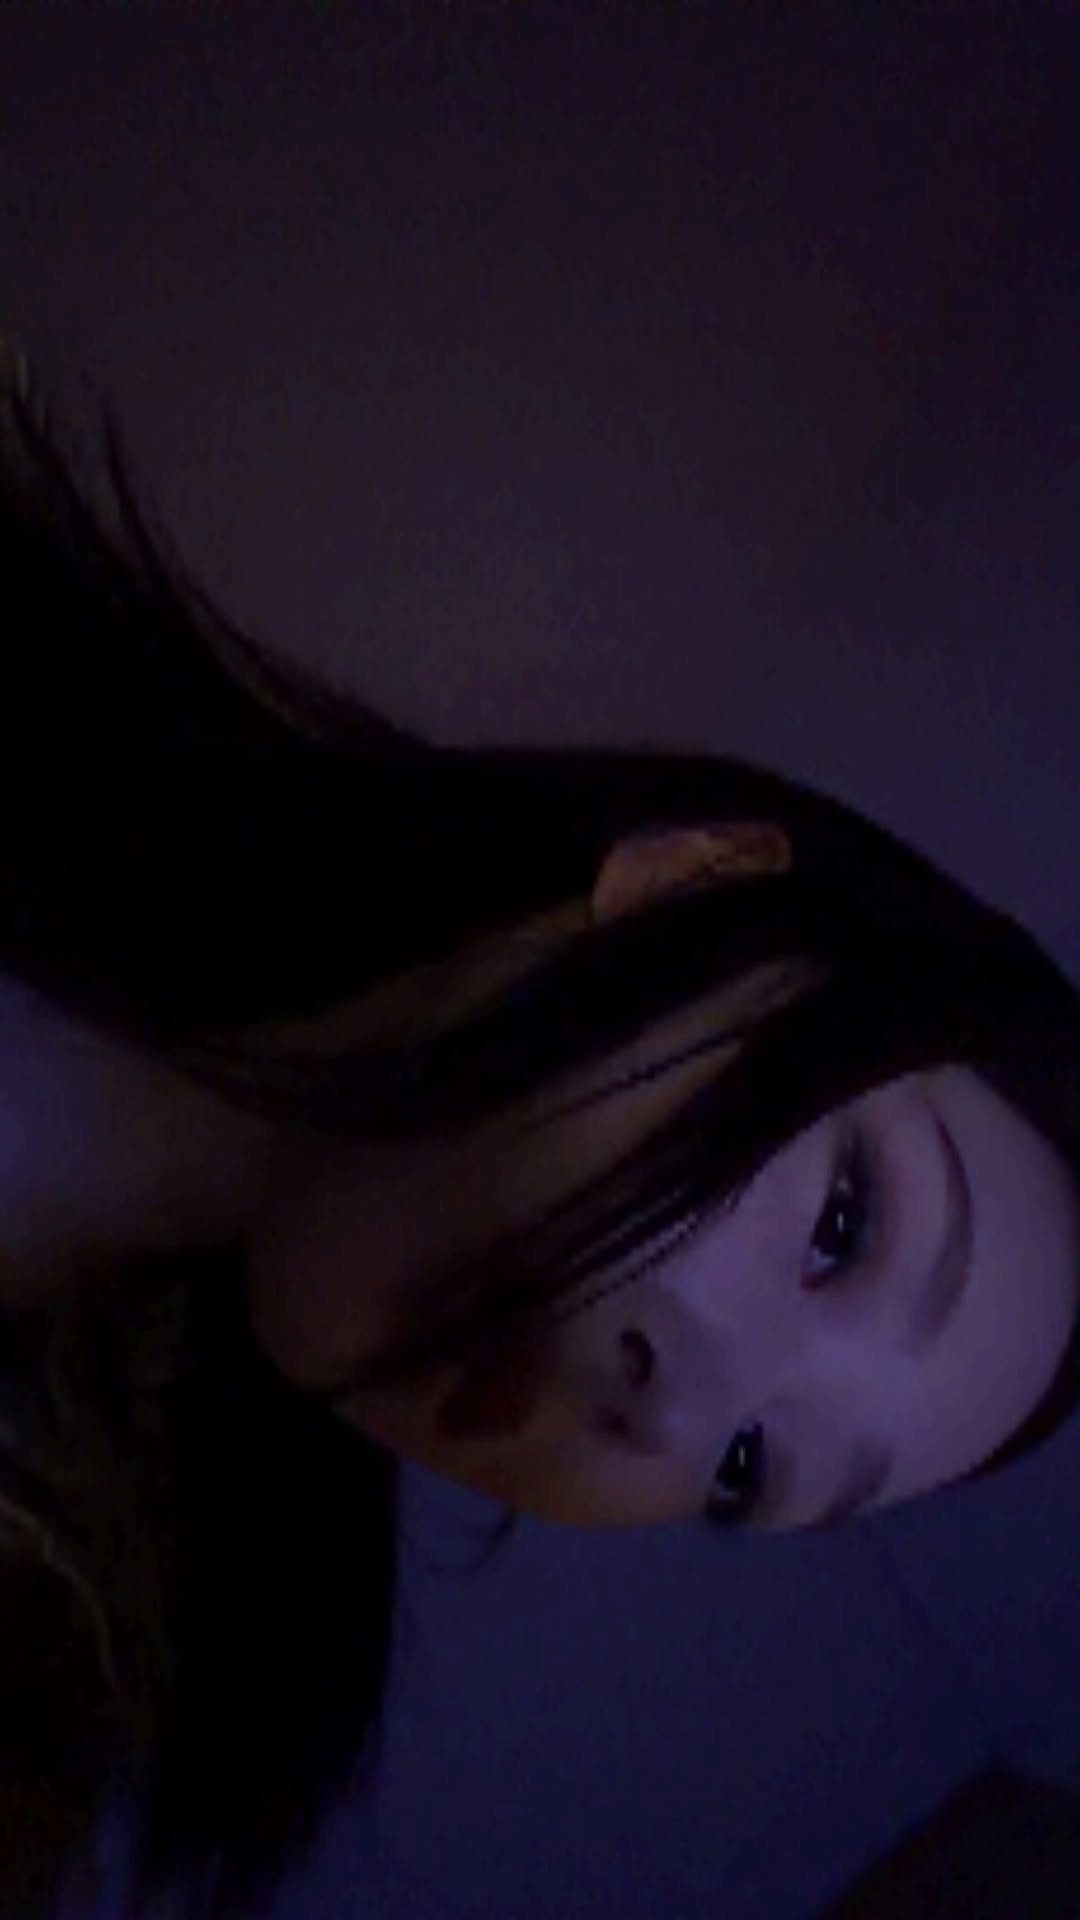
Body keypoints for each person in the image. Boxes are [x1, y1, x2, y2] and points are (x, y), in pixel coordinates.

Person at [1, 339, 1078, 1917]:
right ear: (695, 879)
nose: (673, 1418)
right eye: (845, 1225)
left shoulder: (91, 1661)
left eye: (746, 1473)